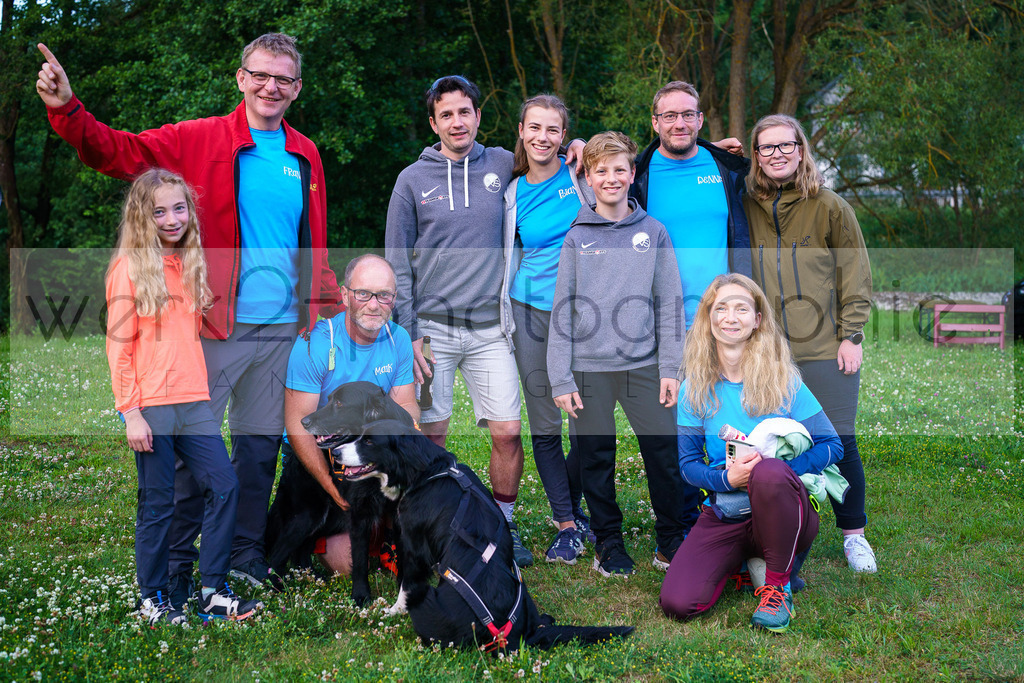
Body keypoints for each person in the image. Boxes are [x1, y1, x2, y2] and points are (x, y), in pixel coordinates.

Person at [36, 34, 344, 600]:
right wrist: (67, 111)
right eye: (261, 75)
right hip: (212, 326)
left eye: (284, 79)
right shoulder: (198, 138)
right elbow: (118, 151)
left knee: (257, 450)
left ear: (297, 89)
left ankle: (244, 555)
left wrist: (327, 307)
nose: (271, 87)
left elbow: (313, 244)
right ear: (241, 79)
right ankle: (177, 563)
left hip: (281, 330)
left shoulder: (306, 154)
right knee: (185, 454)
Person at [383, 76, 529, 564]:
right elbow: (397, 259)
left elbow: (558, 162)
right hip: (433, 328)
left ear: (478, 116)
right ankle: (429, 531)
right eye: (446, 114)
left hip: (491, 326)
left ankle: (503, 527)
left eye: (464, 111)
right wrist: (411, 332)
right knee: (432, 438)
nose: (457, 121)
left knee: (508, 432)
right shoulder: (412, 179)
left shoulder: (505, 164)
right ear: (433, 123)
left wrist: (574, 144)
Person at [105, 169, 260, 623]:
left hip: (194, 401)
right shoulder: (128, 269)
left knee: (224, 485)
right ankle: (150, 599)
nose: (172, 219)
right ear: (142, 218)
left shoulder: (188, 264)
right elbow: (118, 347)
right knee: (158, 503)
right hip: (152, 406)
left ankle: (212, 589)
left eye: (179, 208)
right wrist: (131, 413)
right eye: (159, 211)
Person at [547, 131, 697, 577]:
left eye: (619, 170)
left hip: (645, 366)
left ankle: (671, 539)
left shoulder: (653, 232)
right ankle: (608, 544)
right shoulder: (576, 237)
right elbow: (562, 309)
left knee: (664, 457)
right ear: (588, 178)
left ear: (632, 174)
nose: (611, 178)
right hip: (589, 370)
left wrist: (670, 367)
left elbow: (670, 303)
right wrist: (560, 377)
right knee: (595, 458)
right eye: (601, 171)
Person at [660, 273, 843, 633]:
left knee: (770, 473)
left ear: (757, 319)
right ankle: (745, 563)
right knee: (678, 603)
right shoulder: (694, 389)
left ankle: (776, 586)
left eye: (742, 308)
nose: (731, 317)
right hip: (727, 509)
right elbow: (687, 465)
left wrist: (782, 469)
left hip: (786, 508)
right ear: (708, 319)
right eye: (721, 308)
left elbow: (833, 444)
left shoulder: (784, 380)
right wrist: (726, 478)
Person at [743, 114, 877, 573]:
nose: (776, 154)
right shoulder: (745, 205)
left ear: (800, 149)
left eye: (786, 146)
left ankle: (854, 535)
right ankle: (776, 532)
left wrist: (851, 335)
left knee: (838, 441)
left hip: (825, 346)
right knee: (770, 443)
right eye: (766, 148)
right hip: (768, 352)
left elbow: (855, 274)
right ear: (756, 156)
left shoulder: (830, 206)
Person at [500, 94, 596, 565]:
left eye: (554, 130)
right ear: (521, 130)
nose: (543, 137)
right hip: (530, 311)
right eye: (534, 128)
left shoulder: (582, 174)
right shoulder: (511, 191)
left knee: (586, 420)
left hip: (587, 315)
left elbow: (632, 164)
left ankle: (584, 514)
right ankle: (565, 524)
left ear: (564, 136)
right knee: (546, 420)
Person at [283, 254, 418, 574]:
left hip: (368, 453)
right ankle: (331, 530)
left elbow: (408, 408)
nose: (374, 304)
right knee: (347, 564)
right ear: (345, 295)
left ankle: (391, 531)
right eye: (364, 294)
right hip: (321, 458)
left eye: (384, 295)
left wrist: (404, 452)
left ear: (394, 299)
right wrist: (333, 488)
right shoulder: (314, 341)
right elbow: (297, 426)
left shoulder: (398, 338)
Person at [631, 81, 753, 328]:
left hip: (722, 320)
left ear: (700, 120)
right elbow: (594, 167)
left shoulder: (726, 167)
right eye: (670, 116)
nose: (680, 124)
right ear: (655, 122)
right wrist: (576, 143)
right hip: (661, 324)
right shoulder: (635, 175)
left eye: (688, 115)